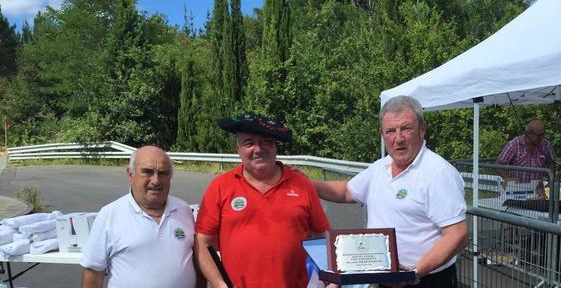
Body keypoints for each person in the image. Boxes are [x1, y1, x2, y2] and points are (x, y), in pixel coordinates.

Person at [312, 96, 468, 288]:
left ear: (422, 129)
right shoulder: (380, 167)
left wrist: (415, 273)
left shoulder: (438, 173)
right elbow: (346, 192)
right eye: (391, 131)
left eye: (406, 128)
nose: (398, 138)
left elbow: (458, 235)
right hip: (387, 280)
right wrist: (305, 184)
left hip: (425, 280)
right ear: (382, 134)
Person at [195, 114, 331, 288]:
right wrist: (219, 284)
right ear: (238, 149)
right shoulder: (220, 186)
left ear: (275, 147)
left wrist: (330, 281)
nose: (258, 149)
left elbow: (324, 238)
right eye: (249, 143)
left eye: (266, 141)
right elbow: (202, 242)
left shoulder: (302, 185)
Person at [81, 146, 202, 288]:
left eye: (163, 173)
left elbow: (196, 262)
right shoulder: (109, 215)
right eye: (147, 172)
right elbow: (93, 276)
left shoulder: (184, 210)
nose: (156, 180)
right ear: (130, 175)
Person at [496, 119, 556, 183]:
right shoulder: (513, 145)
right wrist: (508, 179)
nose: (542, 137)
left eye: (543, 134)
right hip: (517, 188)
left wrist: (550, 179)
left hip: (538, 188)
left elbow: (551, 163)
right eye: (539, 135)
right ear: (529, 134)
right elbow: (498, 164)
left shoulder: (546, 144)